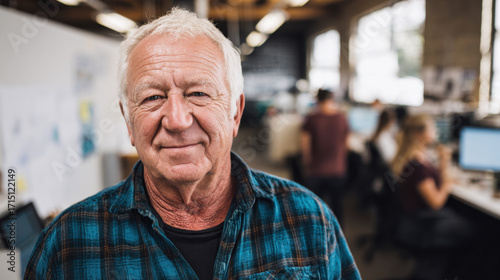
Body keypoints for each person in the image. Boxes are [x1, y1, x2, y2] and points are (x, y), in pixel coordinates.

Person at [25, 9, 360, 280]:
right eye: (153, 97)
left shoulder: (308, 220)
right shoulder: (67, 246)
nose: (177, 120)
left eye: (198, 93)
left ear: (235, 113)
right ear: (128, 121)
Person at [391, 114, 476, 279]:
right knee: (477, 230)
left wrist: (444, 162)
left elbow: (439, 180)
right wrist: (447, 185)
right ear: (419, 134)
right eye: (433, 128)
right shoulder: (417, 165)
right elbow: (436, 203)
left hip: (418, 219)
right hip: (423, 223)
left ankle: (441, 268)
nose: (436, 131)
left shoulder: (415, 158)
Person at [301, 89, 350, 226]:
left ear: (317, 100)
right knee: (337, 205)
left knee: (314, 207)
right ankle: (339, 236)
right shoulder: (342, 118)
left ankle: (316, 235)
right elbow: (347, 145)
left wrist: (307, 166)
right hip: (337, 170)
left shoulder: (311, 119)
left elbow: (305, 147)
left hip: (316, 171)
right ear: (332, 99)